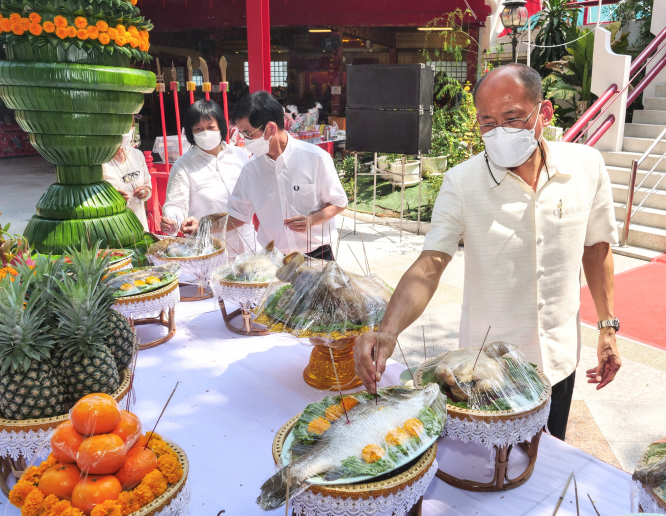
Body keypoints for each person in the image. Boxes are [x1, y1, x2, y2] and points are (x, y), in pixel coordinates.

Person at [352, 64, 622, 441]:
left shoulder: (586, 166)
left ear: (543, 113)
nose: (500, 132)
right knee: (492, 474)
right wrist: (388, 331)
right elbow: (430, 264)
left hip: (559, 360)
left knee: (548, 458)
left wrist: (608, 327)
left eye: (512, 118)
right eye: (487, 122)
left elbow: (596, 249)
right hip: (485, 373)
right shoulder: (462, 182)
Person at [226, 91, 347, 260]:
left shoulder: (315, 158)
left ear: (271, 128)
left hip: (317, 256)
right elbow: (238, 215)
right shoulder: (250, 170)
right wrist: (203, 226)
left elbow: (339, 202)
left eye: (248, 134)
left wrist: (313, 219)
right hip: (275, 260)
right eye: (242, 134)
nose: (245, 140)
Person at [161, 100, 253, 254]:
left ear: (220, 127)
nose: (205, 133)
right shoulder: (183, 165)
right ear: (191, 132)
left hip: (249, 244)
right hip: (210, 250)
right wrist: (172, 221)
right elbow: (175, 205)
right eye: (199, 129)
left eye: (211, 127)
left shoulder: (239, 155)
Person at [102, 115, 152, 230]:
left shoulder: (137, 155)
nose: (124, 132)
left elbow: (149, 188)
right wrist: (112, 198)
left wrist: (145, 192)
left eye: (128, 127)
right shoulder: (99, 161)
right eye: (118, 127)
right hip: (115, 229)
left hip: (140, 226)